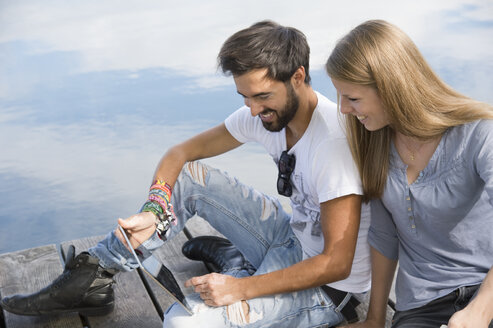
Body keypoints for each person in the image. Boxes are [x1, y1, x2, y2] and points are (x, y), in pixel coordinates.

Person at [1, 20, 372, 327]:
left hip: (326, 288)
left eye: (262, 97)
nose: (254, 110)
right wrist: (154, 210)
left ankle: (241, 271)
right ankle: (94, 275)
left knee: (183, 323)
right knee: (192, 177)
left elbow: (335, 263)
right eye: (244, 98)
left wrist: (242, 289)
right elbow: (180, 154)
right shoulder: (269, 116)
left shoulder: (332, 145)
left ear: (298, 77)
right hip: (288, 237)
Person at [325, 19, 493, 328]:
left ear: (391, 87)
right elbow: (384, 236)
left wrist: (480, 311)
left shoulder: (479, 133)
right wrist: (376, 318)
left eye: (353, 98)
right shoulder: (373, 145)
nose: (344, 109)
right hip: (421, 305)